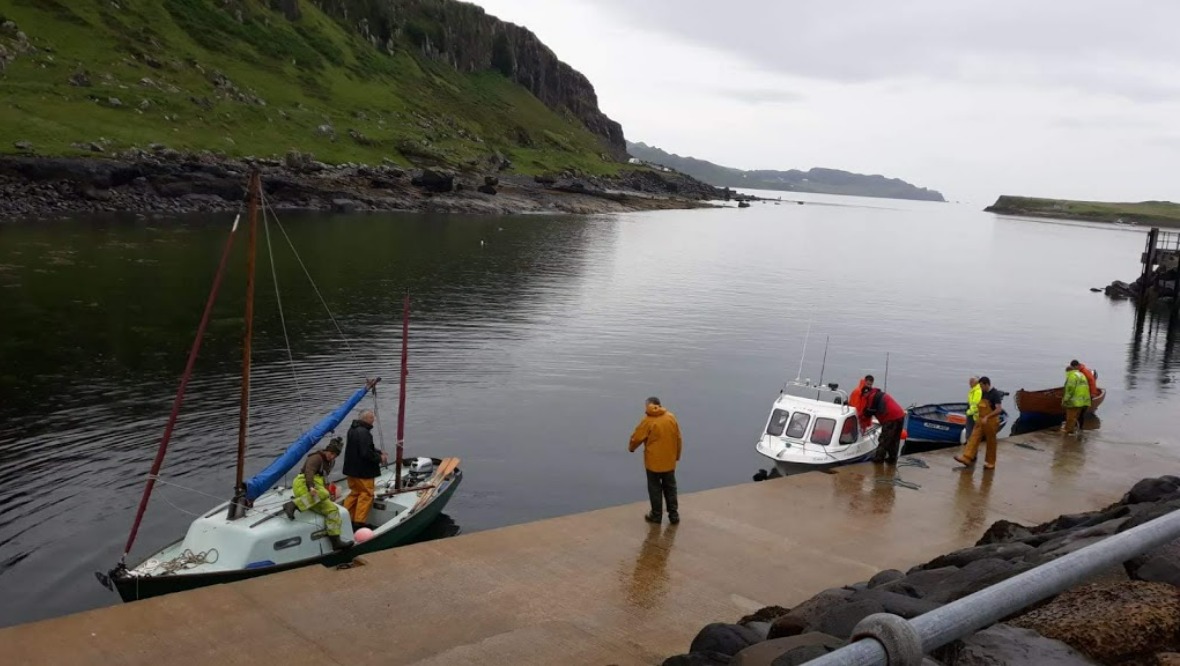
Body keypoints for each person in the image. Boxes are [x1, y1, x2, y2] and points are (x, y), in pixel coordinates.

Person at [282, 438, 351, 550]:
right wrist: (311, 487)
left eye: (336, 455)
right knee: (324, 493)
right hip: (303, 483)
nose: (332, 456)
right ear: (327, 450)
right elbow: (309, 473)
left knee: (333, 510)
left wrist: (327, 490)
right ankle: (293, 504)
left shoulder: (331, 462)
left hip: (317, 486)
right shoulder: (315, 458)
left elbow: (323, 478)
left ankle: (335, 541)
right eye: (331, 453)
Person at [628, 396, 683, 525]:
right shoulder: (671, 417)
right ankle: (673, 515)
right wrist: (677, 455)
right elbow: (678, 439)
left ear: (649, 406)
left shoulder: (647, 420)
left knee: (655, 488)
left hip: (653, 463)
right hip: (669, 461)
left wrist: (631, 448)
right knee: (670, 487)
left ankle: (656, 515)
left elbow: (636, 438)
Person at [343, 410, 387, 529]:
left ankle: (345, 518)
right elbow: (365, 453)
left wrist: (377, 451)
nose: (373, 420)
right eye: (372, 418)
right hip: (363, 472)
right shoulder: (364, 433)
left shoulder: (352, 429)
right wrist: (380, 458)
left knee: (354, 493)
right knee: (367, 494)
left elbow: (362, 447)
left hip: (351, 470)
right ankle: (359, 522)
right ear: (366, 418)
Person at [955, 377, 1004, 469]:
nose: (980, 388)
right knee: (973, 437)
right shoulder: (983, 393)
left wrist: (987, 417)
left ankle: (990, 462)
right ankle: (967, 457)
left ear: (987, 384)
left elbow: (998, 409)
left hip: (991, 421)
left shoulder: (995, 394)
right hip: (980, 420)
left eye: (981, 386)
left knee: (991, 442)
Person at [857, 375, 907, 464]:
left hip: (891, 418)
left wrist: (860, 417)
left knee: (884, 439)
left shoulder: (871, 397)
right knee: (894, 440)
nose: (864, 398)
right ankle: (892, 459)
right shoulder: (877, 393)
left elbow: (868, 413)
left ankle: (878, 460)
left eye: (864, 396)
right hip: (900, 415)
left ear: (866, 393)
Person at [1062, 362, 1092, 435]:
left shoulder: (1071, 376)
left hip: (1074, 401)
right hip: (1083, 400)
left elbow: (1070, 390)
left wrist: (1065, 400)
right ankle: (1076, 429)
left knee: (1070, 417)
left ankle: (1068, 431)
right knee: (1076, 416)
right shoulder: (1081, 375)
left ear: (1067, 371)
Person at [965, 376, 981, 442]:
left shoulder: (977, 391)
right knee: (970, 432)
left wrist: (968, 412)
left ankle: (970, 446)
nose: (969, 383)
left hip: (973, 415)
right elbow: (970, 403)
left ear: (975, 382)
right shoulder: (973, 390)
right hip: (971, 414)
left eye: (971, 382)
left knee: (970, 433)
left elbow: (975, 405)